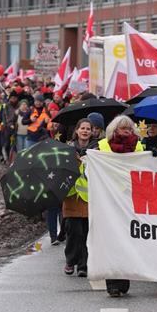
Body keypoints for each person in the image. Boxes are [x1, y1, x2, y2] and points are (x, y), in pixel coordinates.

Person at [98, 115, 145, 298]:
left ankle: (124, 280)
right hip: (109, 197)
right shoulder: (102, 146)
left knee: (127, 240)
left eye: (129, 128)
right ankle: (113, 283)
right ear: (114, 130)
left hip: (129, 198)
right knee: (111, 241)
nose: (126, 131)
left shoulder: (138, 146)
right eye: (122, 128)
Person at [62, 118, 97, 277]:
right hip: (71, 197)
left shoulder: (96, 150)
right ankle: (70, 260)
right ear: (76, 131)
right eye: (82, 128)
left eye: (88, 129)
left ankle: (83, 265)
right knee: (73, 232)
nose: (85, 131)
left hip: (90, 198)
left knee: (86, 233)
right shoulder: (68, 149)